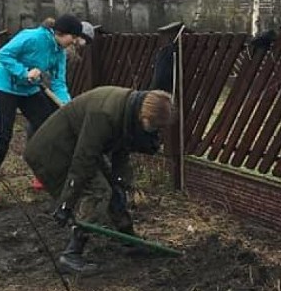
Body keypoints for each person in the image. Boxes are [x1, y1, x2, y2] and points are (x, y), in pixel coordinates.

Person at [24, 86, 176, 274]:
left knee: (113, 187)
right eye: (155, 126)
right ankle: (71, 253)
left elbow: (121, 149)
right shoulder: (104, 114)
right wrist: (66, 203)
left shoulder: (127, 110)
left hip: (75, 146)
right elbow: (83, 160)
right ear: (145, 116)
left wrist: (120, 181)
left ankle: (128, 240)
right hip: (54, 151)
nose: (156, 133)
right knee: (98, 191)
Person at [0, 14, 85, 202]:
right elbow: (3, 54)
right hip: (4, 86)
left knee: (48, 128)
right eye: (73, 37)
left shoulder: (60, 52)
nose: (74, 42)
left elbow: (58, 83)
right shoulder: (32, 37)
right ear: (62, 33)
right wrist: (23, 73)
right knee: (2, 134)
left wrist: (66, 105)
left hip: (29, 90)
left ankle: (41, 177)